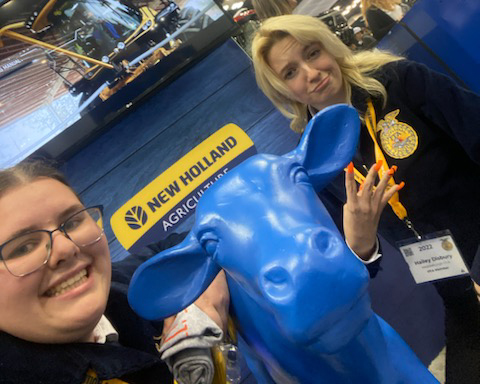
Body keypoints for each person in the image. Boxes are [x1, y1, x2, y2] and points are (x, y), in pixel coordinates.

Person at [251, 14, 480, 383]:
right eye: (291, 72)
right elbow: (359, 269)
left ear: (330, 46)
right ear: (283, 90)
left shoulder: (400, 83)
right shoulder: (311, 160)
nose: (311, 72)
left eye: (313, 53)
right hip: (453, 287)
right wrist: (360, 244)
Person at [0, 160, 229, 383]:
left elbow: (188, 243)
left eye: (71, 222)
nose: (66, 248)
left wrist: (202, 303)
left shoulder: (119, 291)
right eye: (23, 247)